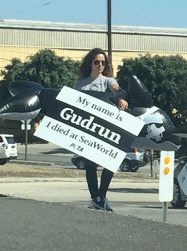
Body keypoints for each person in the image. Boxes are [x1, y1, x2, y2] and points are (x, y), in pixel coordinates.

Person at [73, 48, 127, 211]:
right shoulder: (79, 84)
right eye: (97, 61)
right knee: (90, 165)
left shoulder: (108, 81)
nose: (100, 65)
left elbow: (116, 89)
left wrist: (121, 98)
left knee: (110, 162)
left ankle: (100, 197)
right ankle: (96, 199)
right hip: (86, 127)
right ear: (90, 63)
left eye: (103, 62)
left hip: (105, 128)